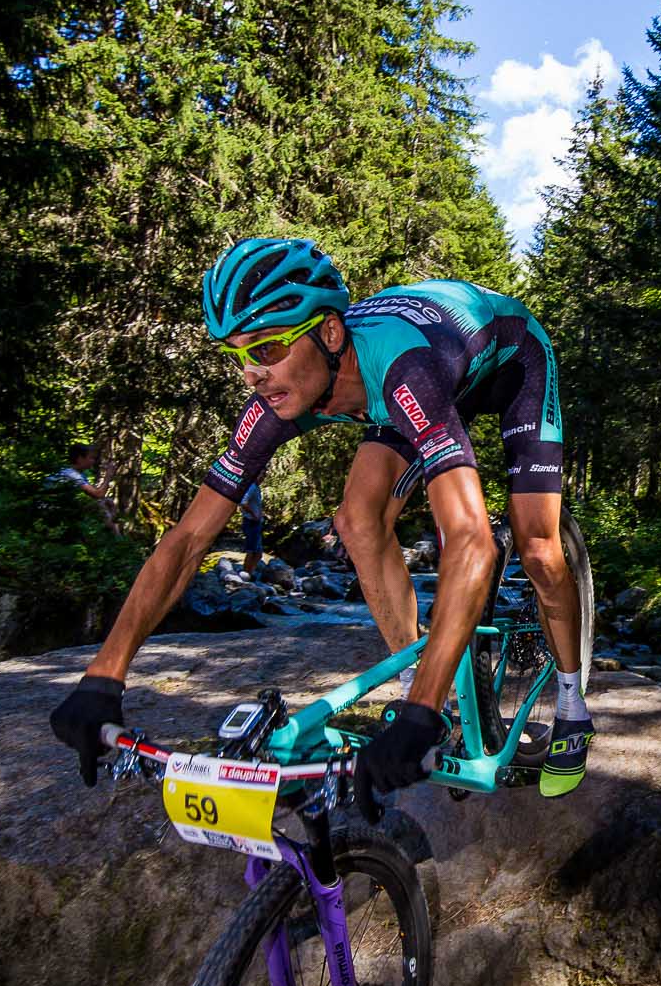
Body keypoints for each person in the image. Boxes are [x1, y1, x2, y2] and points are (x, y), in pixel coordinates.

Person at [48, 238, 594, 806]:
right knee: (357, 520)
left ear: (329, 335)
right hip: (399, 388)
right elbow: (188, 540)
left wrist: (417, 721)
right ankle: (418, 681)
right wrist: (104, 676)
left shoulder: (404, 371)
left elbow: (470, 541)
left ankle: (573, 706)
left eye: (265, 350)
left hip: (509, 362)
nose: (249, 376)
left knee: (535, 547)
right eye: (237, 355)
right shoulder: (282, 396)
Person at [47, 444, 116, 530]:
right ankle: (113, 536)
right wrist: (108, 476)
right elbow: (98, 494)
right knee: (100, 506)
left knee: (105, 502)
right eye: (91, 458)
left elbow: (93, 496)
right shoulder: (71, 474)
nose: (93, 461)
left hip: (61, 507)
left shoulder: (78, 474)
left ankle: (109, 531)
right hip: (51, 510)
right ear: (80, 458)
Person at [237, 478, 265, 565]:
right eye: (262, 474)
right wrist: (254, 515)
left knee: (258, 553)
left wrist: (260, 514)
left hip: (256, 522)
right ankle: (245, 574)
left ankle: (249, 574)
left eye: (265, 474)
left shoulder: (257, 488)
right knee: (251, 551)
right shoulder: (252, 487)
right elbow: (243, 503)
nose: (263, 477)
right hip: (250, 522)